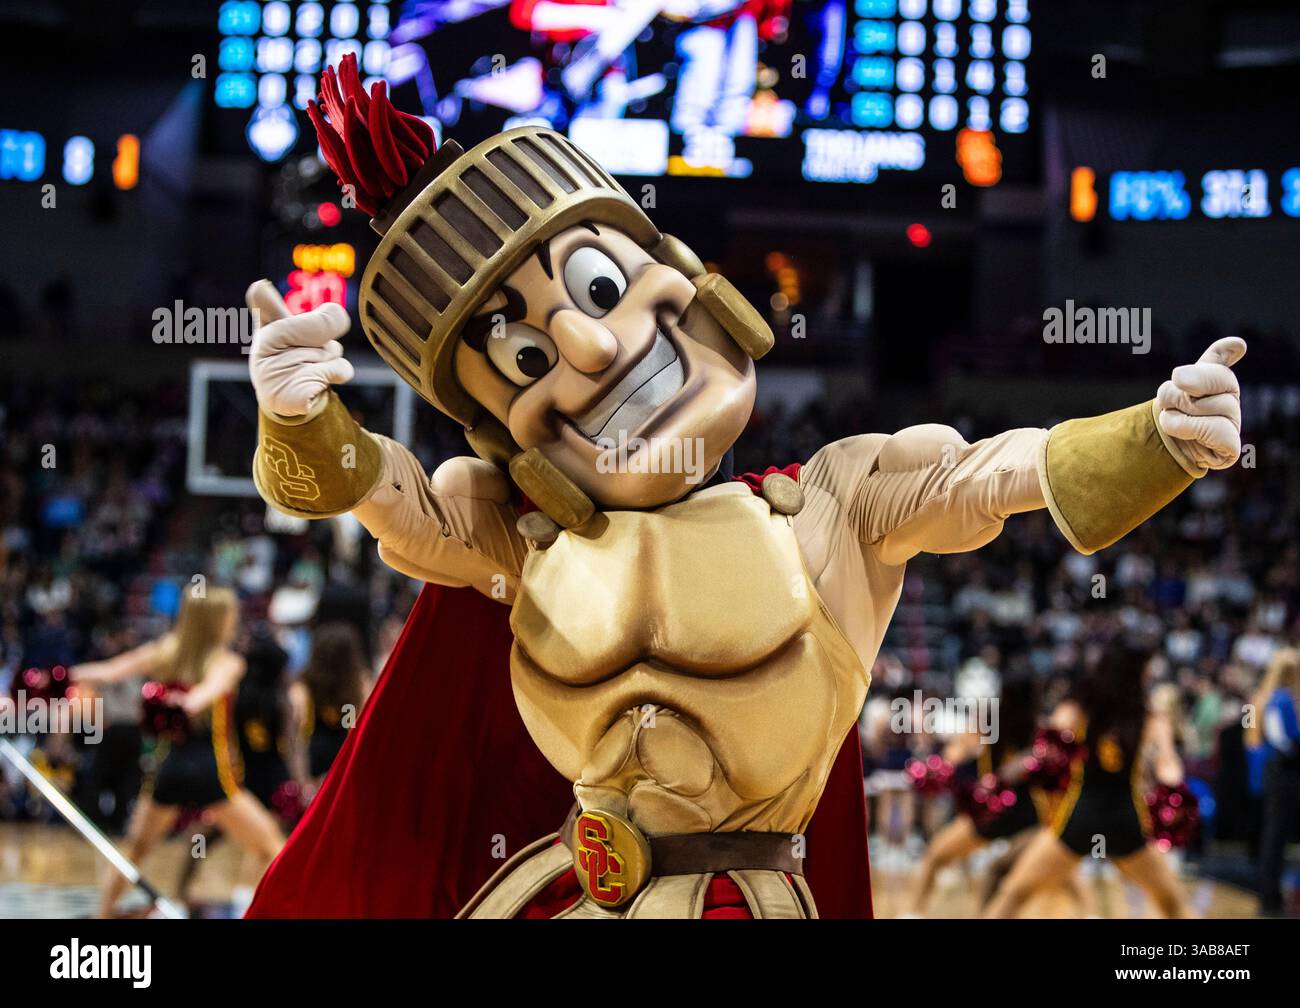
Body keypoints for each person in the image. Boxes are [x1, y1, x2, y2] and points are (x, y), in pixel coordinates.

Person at [243, 54, 1246, 919]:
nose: (591, 347)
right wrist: (299, 417)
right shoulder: (524, 537)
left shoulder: (833, 501)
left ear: (678, 273)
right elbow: (389, 499)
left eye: (598, 286)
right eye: (521, 354)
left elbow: (987, 476)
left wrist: (1154, 438)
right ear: (504, 432)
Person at [72, 588, 285, 918]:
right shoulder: (228, 661)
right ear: (218, 621)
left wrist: (53, 679)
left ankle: (104, 914)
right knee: (272, 845)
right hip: (211, 773)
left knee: (136, 849)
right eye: (230, 616)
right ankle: (257, 912)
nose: (235, 621)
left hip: (169, 769)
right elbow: (211, 688)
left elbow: (108, 671)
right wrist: (190, 702)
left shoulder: (165, 653)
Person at [984, 642, 1193, 919]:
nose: (1148, 676)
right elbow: (1168, 765)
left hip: (1080, 819)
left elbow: (1048, 741)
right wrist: (1174, 792)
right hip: (1127, 822)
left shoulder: (1081, 708)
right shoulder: (1151, 716)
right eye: (1145, 671)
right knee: (1171, 901)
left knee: (1014, 892)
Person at [289, 621, 371, 794]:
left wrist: (302, 780)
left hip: (316, 757)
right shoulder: (355, 686)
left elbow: (297, 737)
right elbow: (353, 729)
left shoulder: (305, 685)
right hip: (342, 757)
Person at [1254, 647, 1299, 915]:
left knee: (1275, 834)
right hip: (1283, 772)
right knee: (1275, 835)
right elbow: (1284, 740)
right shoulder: (1281, 699)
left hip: (1278, 771)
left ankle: (1270, 894)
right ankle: (1269, 896)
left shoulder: (1271, 698)